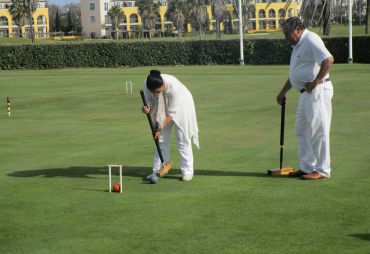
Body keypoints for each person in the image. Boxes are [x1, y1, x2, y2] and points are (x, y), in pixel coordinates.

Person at [276, 17, 334, 180]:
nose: (286, 37)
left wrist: (316, 81)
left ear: (298, 30)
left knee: (318, 130)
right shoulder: (297, 45)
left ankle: (322, 170)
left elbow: (328, 60)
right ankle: (307, 167)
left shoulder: (311, 39)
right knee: (302, 130)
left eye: (287, 33)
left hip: (318, 91)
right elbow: (295, 74)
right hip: (305, 94)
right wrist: (283, 92)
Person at [142, 70, 199, 181]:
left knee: (182, 139)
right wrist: (146, 108)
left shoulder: (175, 88)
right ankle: (158, 170)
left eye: (158, 91)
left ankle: (187, 171)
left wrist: (158, 128)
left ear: (163, 84)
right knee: (160, 139)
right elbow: (149, 102)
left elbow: (171, 114)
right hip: (162, 107)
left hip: (183, 106)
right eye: (153, 92)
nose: (156, 94)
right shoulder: (146, 84)